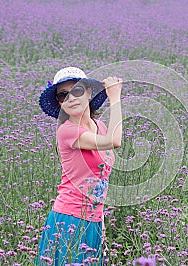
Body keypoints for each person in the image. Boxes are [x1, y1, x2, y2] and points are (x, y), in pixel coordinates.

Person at [36, 67, 122, 265]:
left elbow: (102, 180)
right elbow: (115, 140)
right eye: (63, 95)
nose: (71, 98)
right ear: (59, 103)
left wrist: (100, 222)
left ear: (89, 93)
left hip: (94, 220)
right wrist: (115, 98)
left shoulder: (99, 127)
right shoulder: (67, 131)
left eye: (77, 90)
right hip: (70, 220)